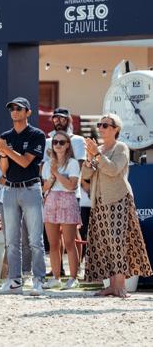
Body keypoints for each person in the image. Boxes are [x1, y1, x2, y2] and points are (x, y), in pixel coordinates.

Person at [82, 114, 152, 297]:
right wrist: (90, 157)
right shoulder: (97, 149)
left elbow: (113, 170)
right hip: (99, 201)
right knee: (106, 244)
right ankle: (112, 285)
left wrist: (96, 154)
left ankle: (120, 285)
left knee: (118, 242)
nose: (101, 127)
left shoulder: (121, 147)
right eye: (100, 124)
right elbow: (86, 175)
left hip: (118, 199)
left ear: (116, 129)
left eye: (105, 124)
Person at [0, 97, 46, 296]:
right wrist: (3, 154)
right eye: (11, 108)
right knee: (11, 241)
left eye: (19, 108)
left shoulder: (37, 135)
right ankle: (14, 281)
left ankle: (38, 280)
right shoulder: (6, 136)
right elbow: (4, 170)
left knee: (35, 240)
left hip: (31, 189)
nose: (14, 111)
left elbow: (24, 163)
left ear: (28, 112)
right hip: (10, 190)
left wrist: (5, 149)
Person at [41, 131, 81, 290]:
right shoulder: (46, 164)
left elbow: (72, 185)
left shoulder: (73, 163)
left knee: (70, 242)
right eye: (55, 142)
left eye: (62, 142)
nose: (58, 145)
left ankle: (73, 278)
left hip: (67, 200)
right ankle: (56, 277)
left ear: (67, 145)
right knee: (53, 244)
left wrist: (56, 173)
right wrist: (52, 176)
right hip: (51, 201)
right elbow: (44, 187)